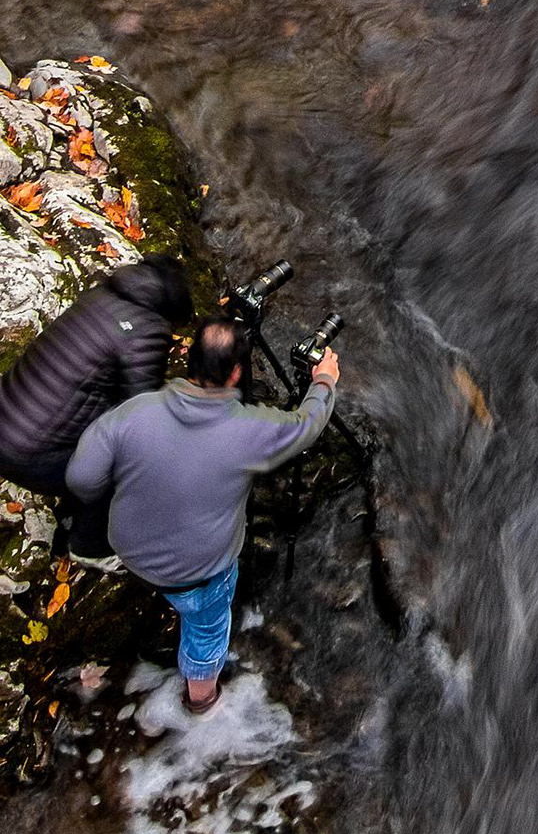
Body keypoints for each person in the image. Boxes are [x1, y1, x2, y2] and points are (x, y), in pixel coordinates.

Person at [66, 315, 340, 713]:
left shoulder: (134, 412)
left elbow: (82, 478)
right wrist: (323, 380)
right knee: (207, 629)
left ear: (190, 360)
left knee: (174, 586)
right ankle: (201, 700)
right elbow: (306, 425)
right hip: (198, 573)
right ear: (236, 374)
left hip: (130, 551)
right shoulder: (251, 429)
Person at [0, 255, 194, 558]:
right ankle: (89, 548)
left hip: (8, 417)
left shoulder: (99, 294)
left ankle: (71, 508)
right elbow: (141, 415)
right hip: (27, 454)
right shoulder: (148, 328)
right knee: (122, 464)